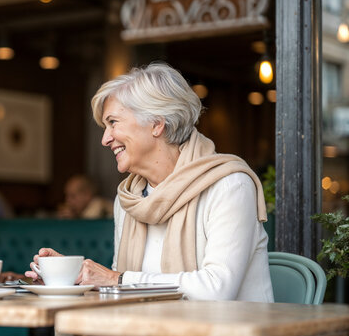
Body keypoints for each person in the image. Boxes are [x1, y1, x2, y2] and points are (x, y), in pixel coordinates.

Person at [27, 63, 273, 302]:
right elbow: (119, 287)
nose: (105, 139)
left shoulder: (229, 186)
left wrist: (117, 279)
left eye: (113, 122)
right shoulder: (129, 199)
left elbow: (217, 290)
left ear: (156, 123)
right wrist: (73, 277)